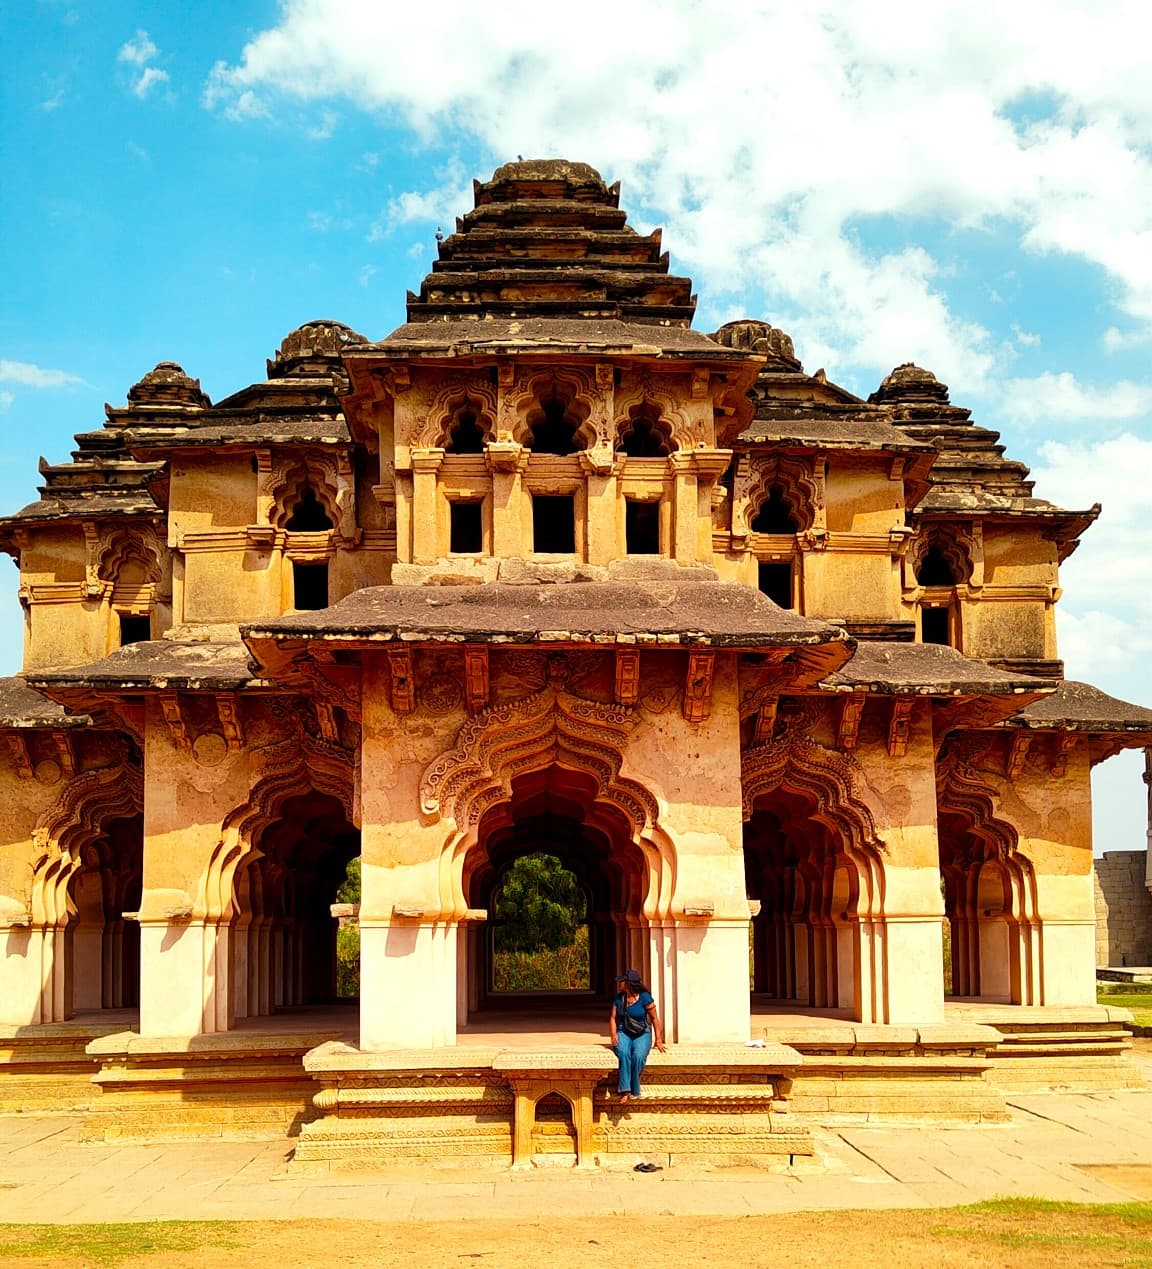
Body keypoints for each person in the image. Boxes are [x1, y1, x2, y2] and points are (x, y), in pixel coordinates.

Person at [609, 968, 666, 1103]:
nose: (620, 984)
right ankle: (626, 1090)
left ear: (628, 984)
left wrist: (658, 1039)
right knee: (623, 1053)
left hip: (642, 1033)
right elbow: (612, 1018)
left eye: (622, 981)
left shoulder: (645, 997)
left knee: (638, 1056)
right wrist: (613, 1034)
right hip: (624, 1031)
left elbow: (654, 1019)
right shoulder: (619, 998)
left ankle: (630, 1086)